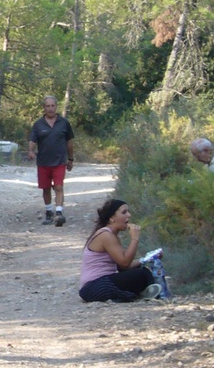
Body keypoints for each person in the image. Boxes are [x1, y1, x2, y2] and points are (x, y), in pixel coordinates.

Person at [78, 199, 161, 303]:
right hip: (94, 287)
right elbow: (124, 263)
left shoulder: (111, 235)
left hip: (98, 284)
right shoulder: (106, 235)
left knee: (143, 271)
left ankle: (147, 292)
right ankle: (143, 293)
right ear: (112, 218)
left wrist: (147, 258)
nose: (129, 215)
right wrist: (135, 239)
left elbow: (121, 267)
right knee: (140, 275)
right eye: (124, 212)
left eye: (128, 212)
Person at [28, 95, 74, 227]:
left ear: (56, 106)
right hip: (43, 162)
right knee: (46, 188)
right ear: (44, 107)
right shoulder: (38, 124)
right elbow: (32, 140)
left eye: (52, 105)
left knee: (59, 187)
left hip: (59, 161)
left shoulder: (64, 123)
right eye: (47, 106)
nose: (50, 108)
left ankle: (59, 213)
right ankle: (49, 212)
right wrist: (31, 151)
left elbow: (70, 142)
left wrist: (70, 159)